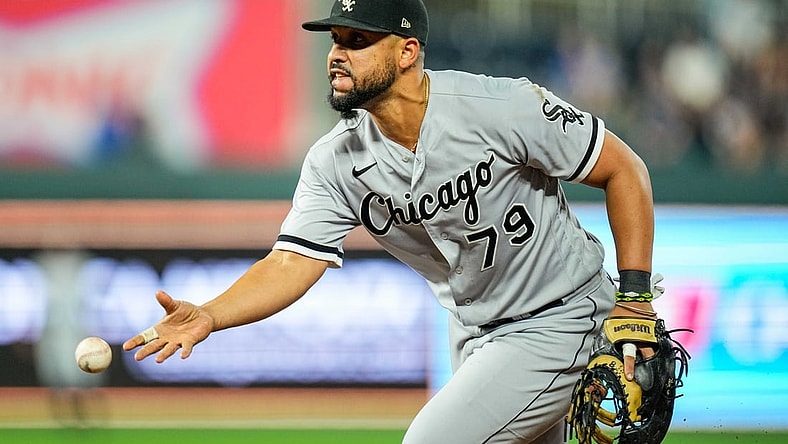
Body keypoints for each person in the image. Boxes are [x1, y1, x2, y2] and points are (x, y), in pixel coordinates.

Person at [123, 1, 660, 442]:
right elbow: (291, 261)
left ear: (407, 52)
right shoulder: (336, 160)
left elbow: (624, 170)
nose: (337, 55)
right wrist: (211, 316)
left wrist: (634, 294)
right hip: (476, 334)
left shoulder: (498, 106)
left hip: (560, 315)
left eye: (357, 42)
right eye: (335, 40)